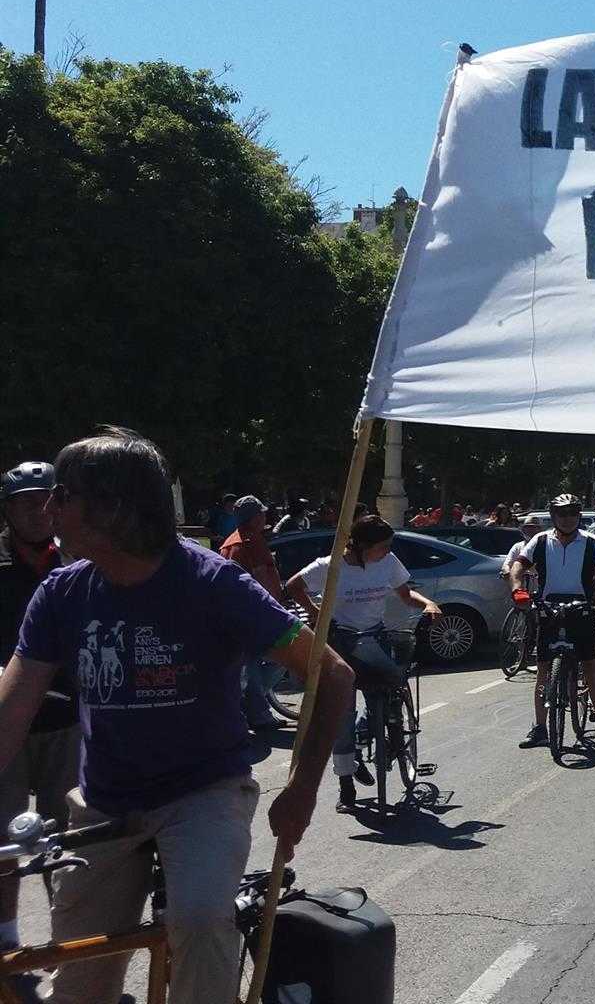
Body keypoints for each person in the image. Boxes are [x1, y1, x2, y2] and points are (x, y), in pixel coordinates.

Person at [0, 428, 353, 1003]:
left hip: (202, 794)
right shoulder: (61, 593)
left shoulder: (215, 583)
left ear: (112, 508)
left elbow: (332, 673)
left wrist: (302, 790)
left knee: (197, 917)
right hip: (105, 801)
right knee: (80, 974)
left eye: (62, 493)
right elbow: (10, 713)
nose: (47, 507)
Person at [285, 515, 442, 809]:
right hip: (340, 642)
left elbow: (406, 594)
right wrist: (315, 610)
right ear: (360, 546)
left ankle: (374, 730)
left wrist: (427, 603)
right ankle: (346, 783)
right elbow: (294, 585)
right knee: (341, 716)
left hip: (375, 636)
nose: (387, 550)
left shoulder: (387, 561)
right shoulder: (330, 567)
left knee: (386, 692)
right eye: (381, 546)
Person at [0, 462, 81, 976]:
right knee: (3, 839)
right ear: (6, 510)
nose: (37, 509)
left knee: (69, 838)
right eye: (25, 501)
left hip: (67, 720)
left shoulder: (75, 562)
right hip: (7, 722)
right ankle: (6, 944)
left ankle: (70, 942)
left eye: (45, 499)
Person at [508, 495, 595, 748]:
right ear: (553, 516)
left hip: (581, 608)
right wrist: (517, 588)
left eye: (572, 513)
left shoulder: (590, 541)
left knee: (592, 666)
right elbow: (519, 565)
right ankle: (540, 728)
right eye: (562, 513)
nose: (567, 518)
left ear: (579, 515)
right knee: (544, 670)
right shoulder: (540, 541)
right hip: (549, 608)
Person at [218, 496, 289, 731]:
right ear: (255, 517)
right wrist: (275, 610)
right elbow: (261, 578)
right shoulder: (251, 541)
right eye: (262, 513)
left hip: (233, 614)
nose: (266, 517)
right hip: (254, 611)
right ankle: (257, 710)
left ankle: (253, 706)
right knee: (283, 654)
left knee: (249, 663)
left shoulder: (229, 542)